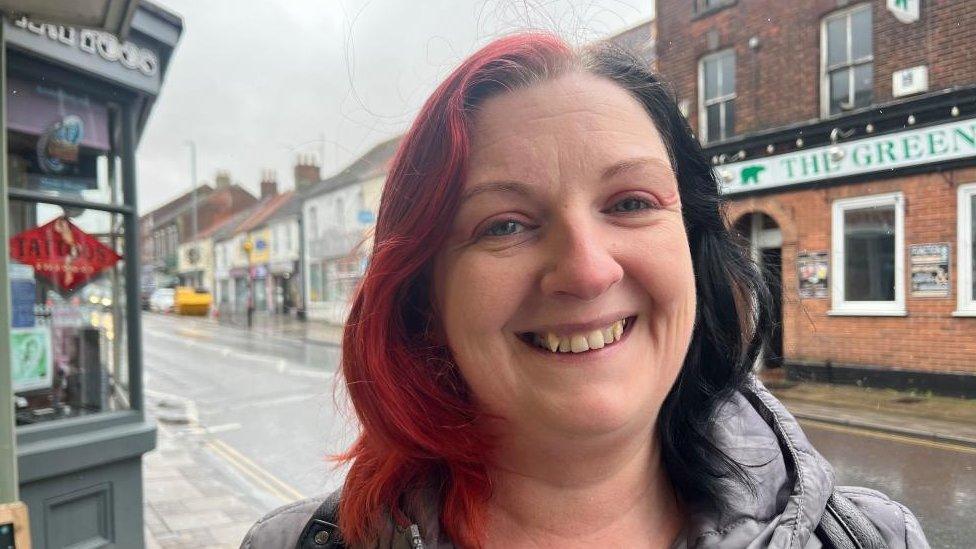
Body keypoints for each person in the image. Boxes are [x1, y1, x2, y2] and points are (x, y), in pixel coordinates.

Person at [242, 33, 928, 548]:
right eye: (504, 223)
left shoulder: (878, 539)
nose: (588, 269)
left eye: (630, 203)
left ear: (692, 247)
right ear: (424, 298)